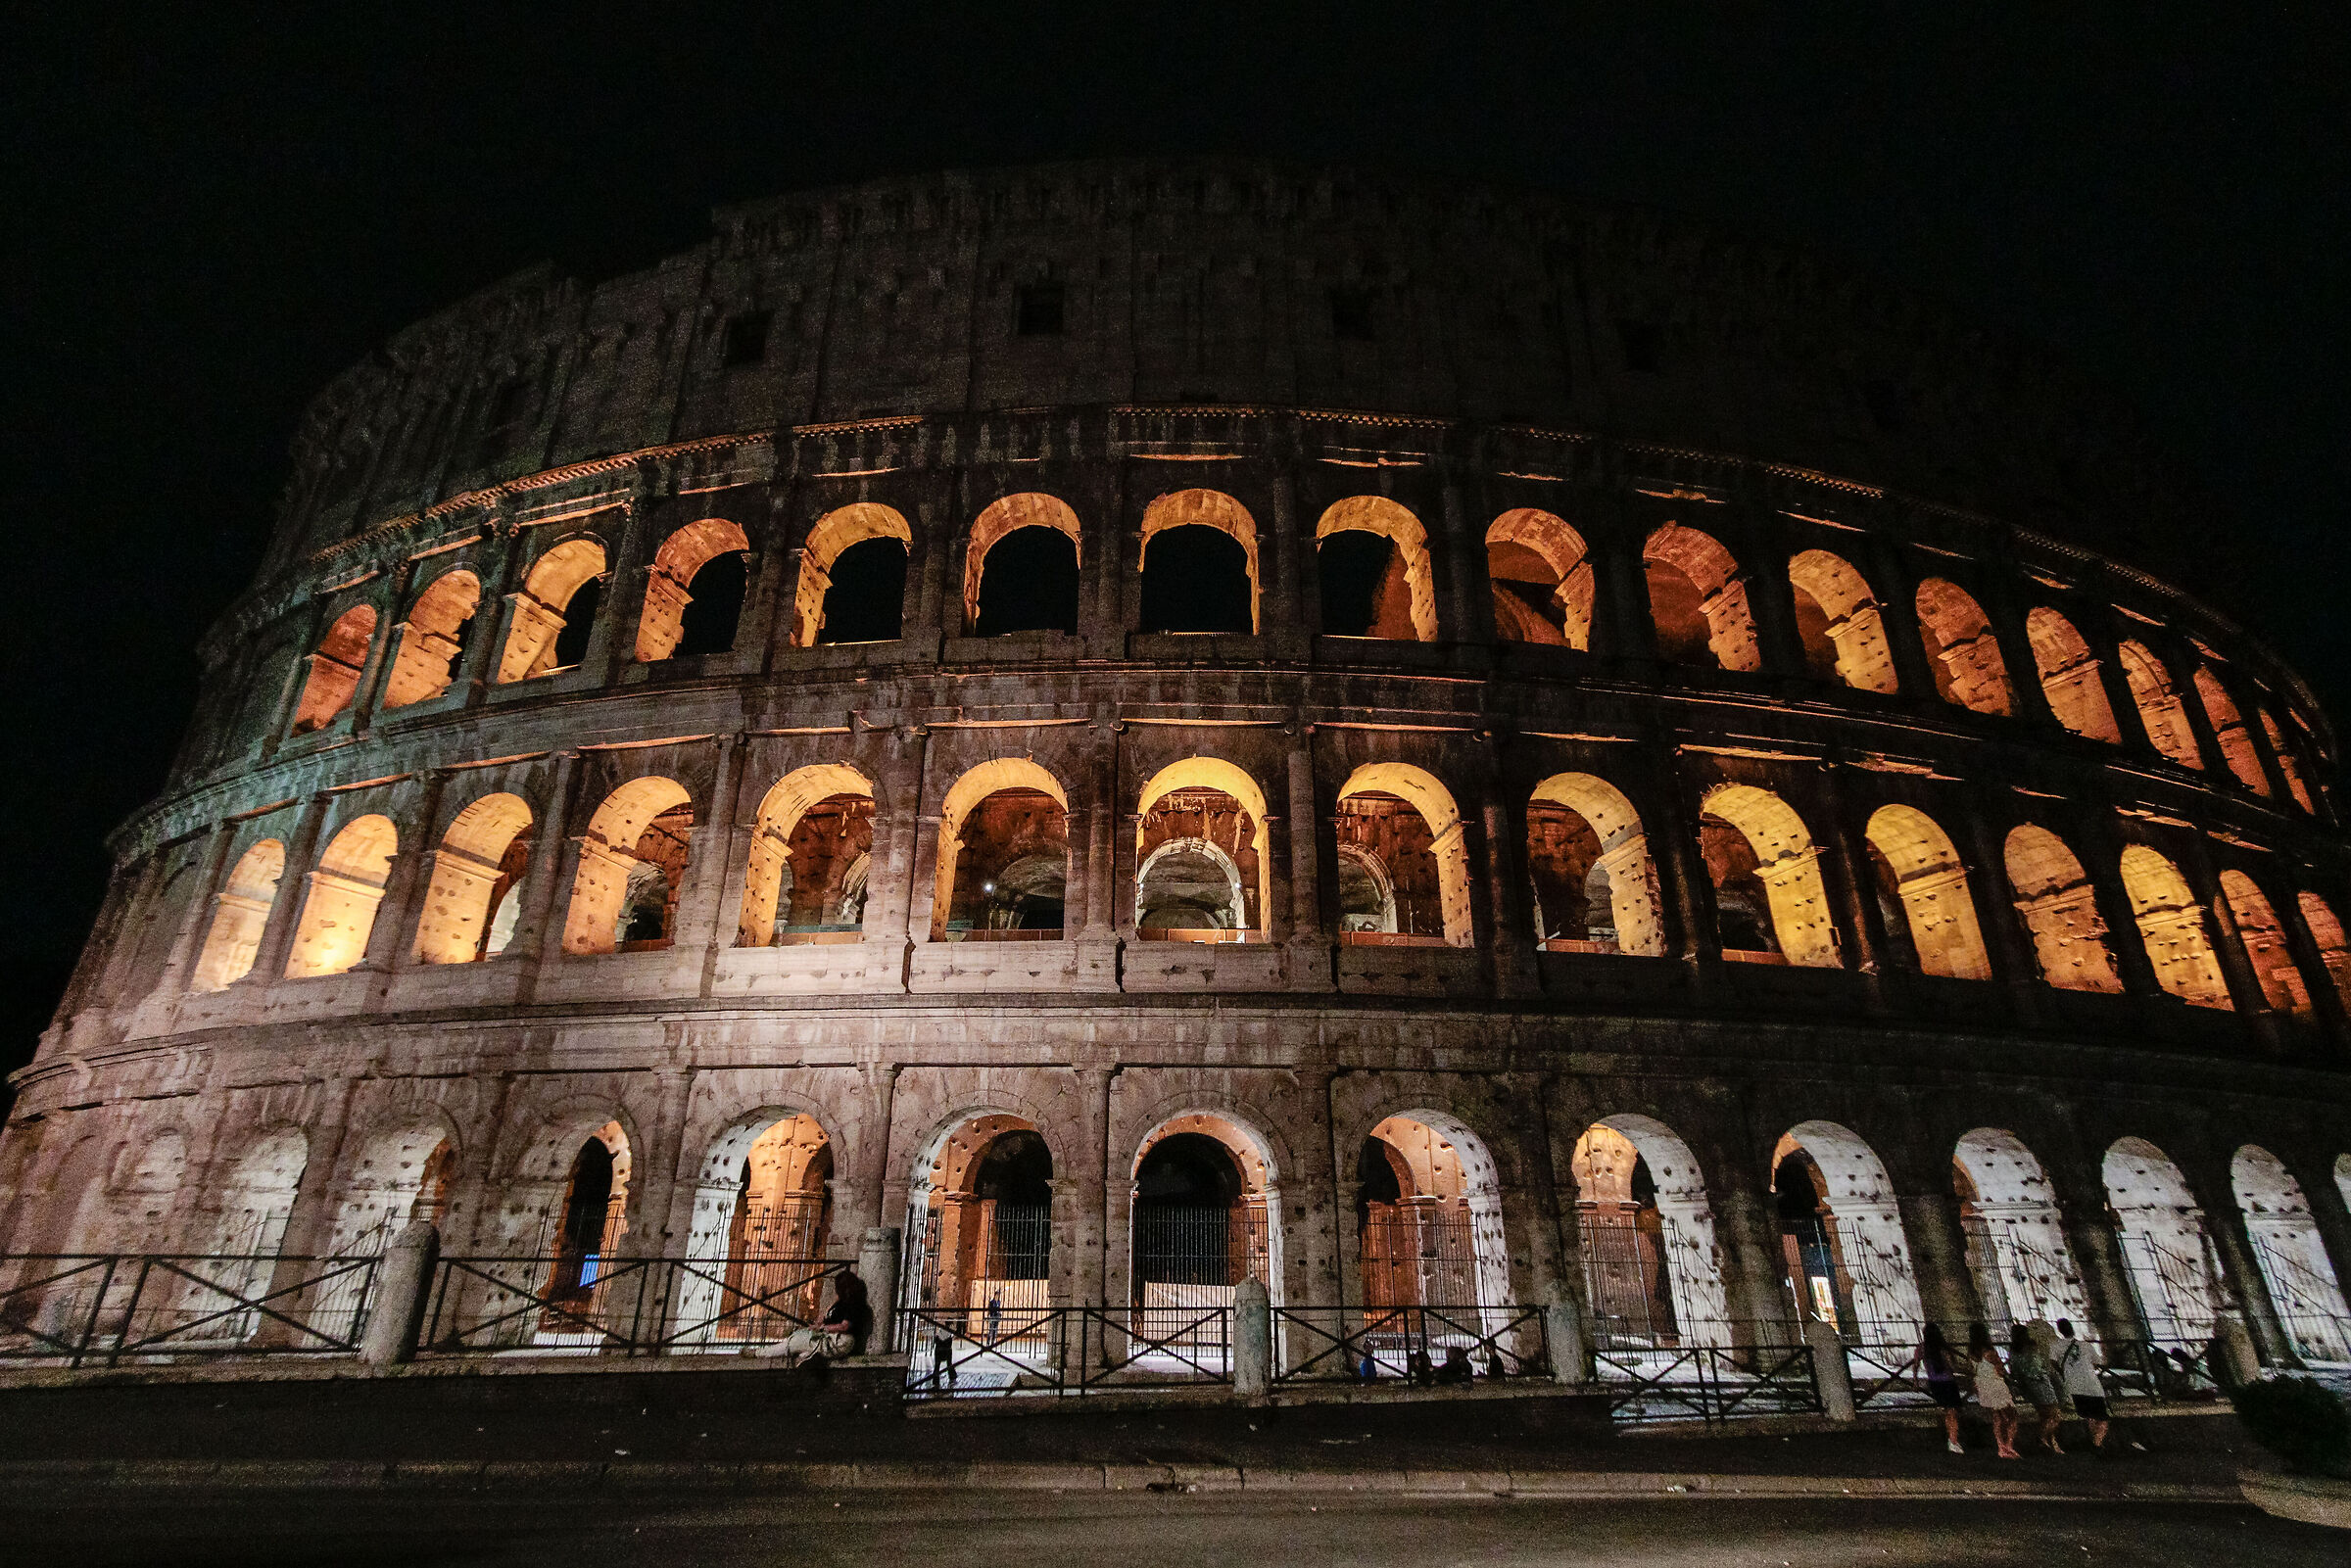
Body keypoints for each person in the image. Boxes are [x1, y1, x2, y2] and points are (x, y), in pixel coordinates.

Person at [2053, 1319, 2111, 1454]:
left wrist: (2064, 1372)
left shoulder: (2055, 1346)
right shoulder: (2085, 1345)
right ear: (2072, 1328)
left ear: (2059, 1330)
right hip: (2092, 1385)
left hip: (2074, 1386)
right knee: (2103, 1418)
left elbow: (2053, 1362)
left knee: (2089, 1416)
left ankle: (2095, 1442)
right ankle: (2097, 1444)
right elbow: (2098, 1362)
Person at [2009, 1323, 2063, 1454]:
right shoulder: (2031, 1347)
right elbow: (2038, 1365)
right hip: (2040, 1383)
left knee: (2044, 1415)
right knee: (2055, 1414)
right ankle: (2042, 1437)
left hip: (2027, 1385)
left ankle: (2051, 1442)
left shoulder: (2014, 1351)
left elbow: (2014, 1370)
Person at [1968, 1321, 2018, 1458]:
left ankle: (2000, 1447)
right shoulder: (1990, 1352)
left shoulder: (1972, 1353)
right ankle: (2009, 1446)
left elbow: (1972, 1370)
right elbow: (2000, 1370)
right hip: (1996, 1384)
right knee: (2012, 1416)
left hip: (1983, 1385)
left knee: (1997, 1417)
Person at [1921, 1322, 1966, 1454]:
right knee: (1952, 1412)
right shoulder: (1943, 1349)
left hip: (1934, 1382)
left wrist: (1916, 1381)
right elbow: (1953, 1366)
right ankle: (1953, 1440)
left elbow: (1916, 1364)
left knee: (1948, 1411)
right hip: (1948, 1382)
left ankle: (1952, 1439)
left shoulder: (1922, 1348)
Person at [820, 1273, 872, 1356]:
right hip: (830, 1336)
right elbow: (826, 1317)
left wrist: (824, 1328)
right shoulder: (839, 1303)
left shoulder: (854, 1305)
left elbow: (844, 1326)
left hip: (841, 1339)